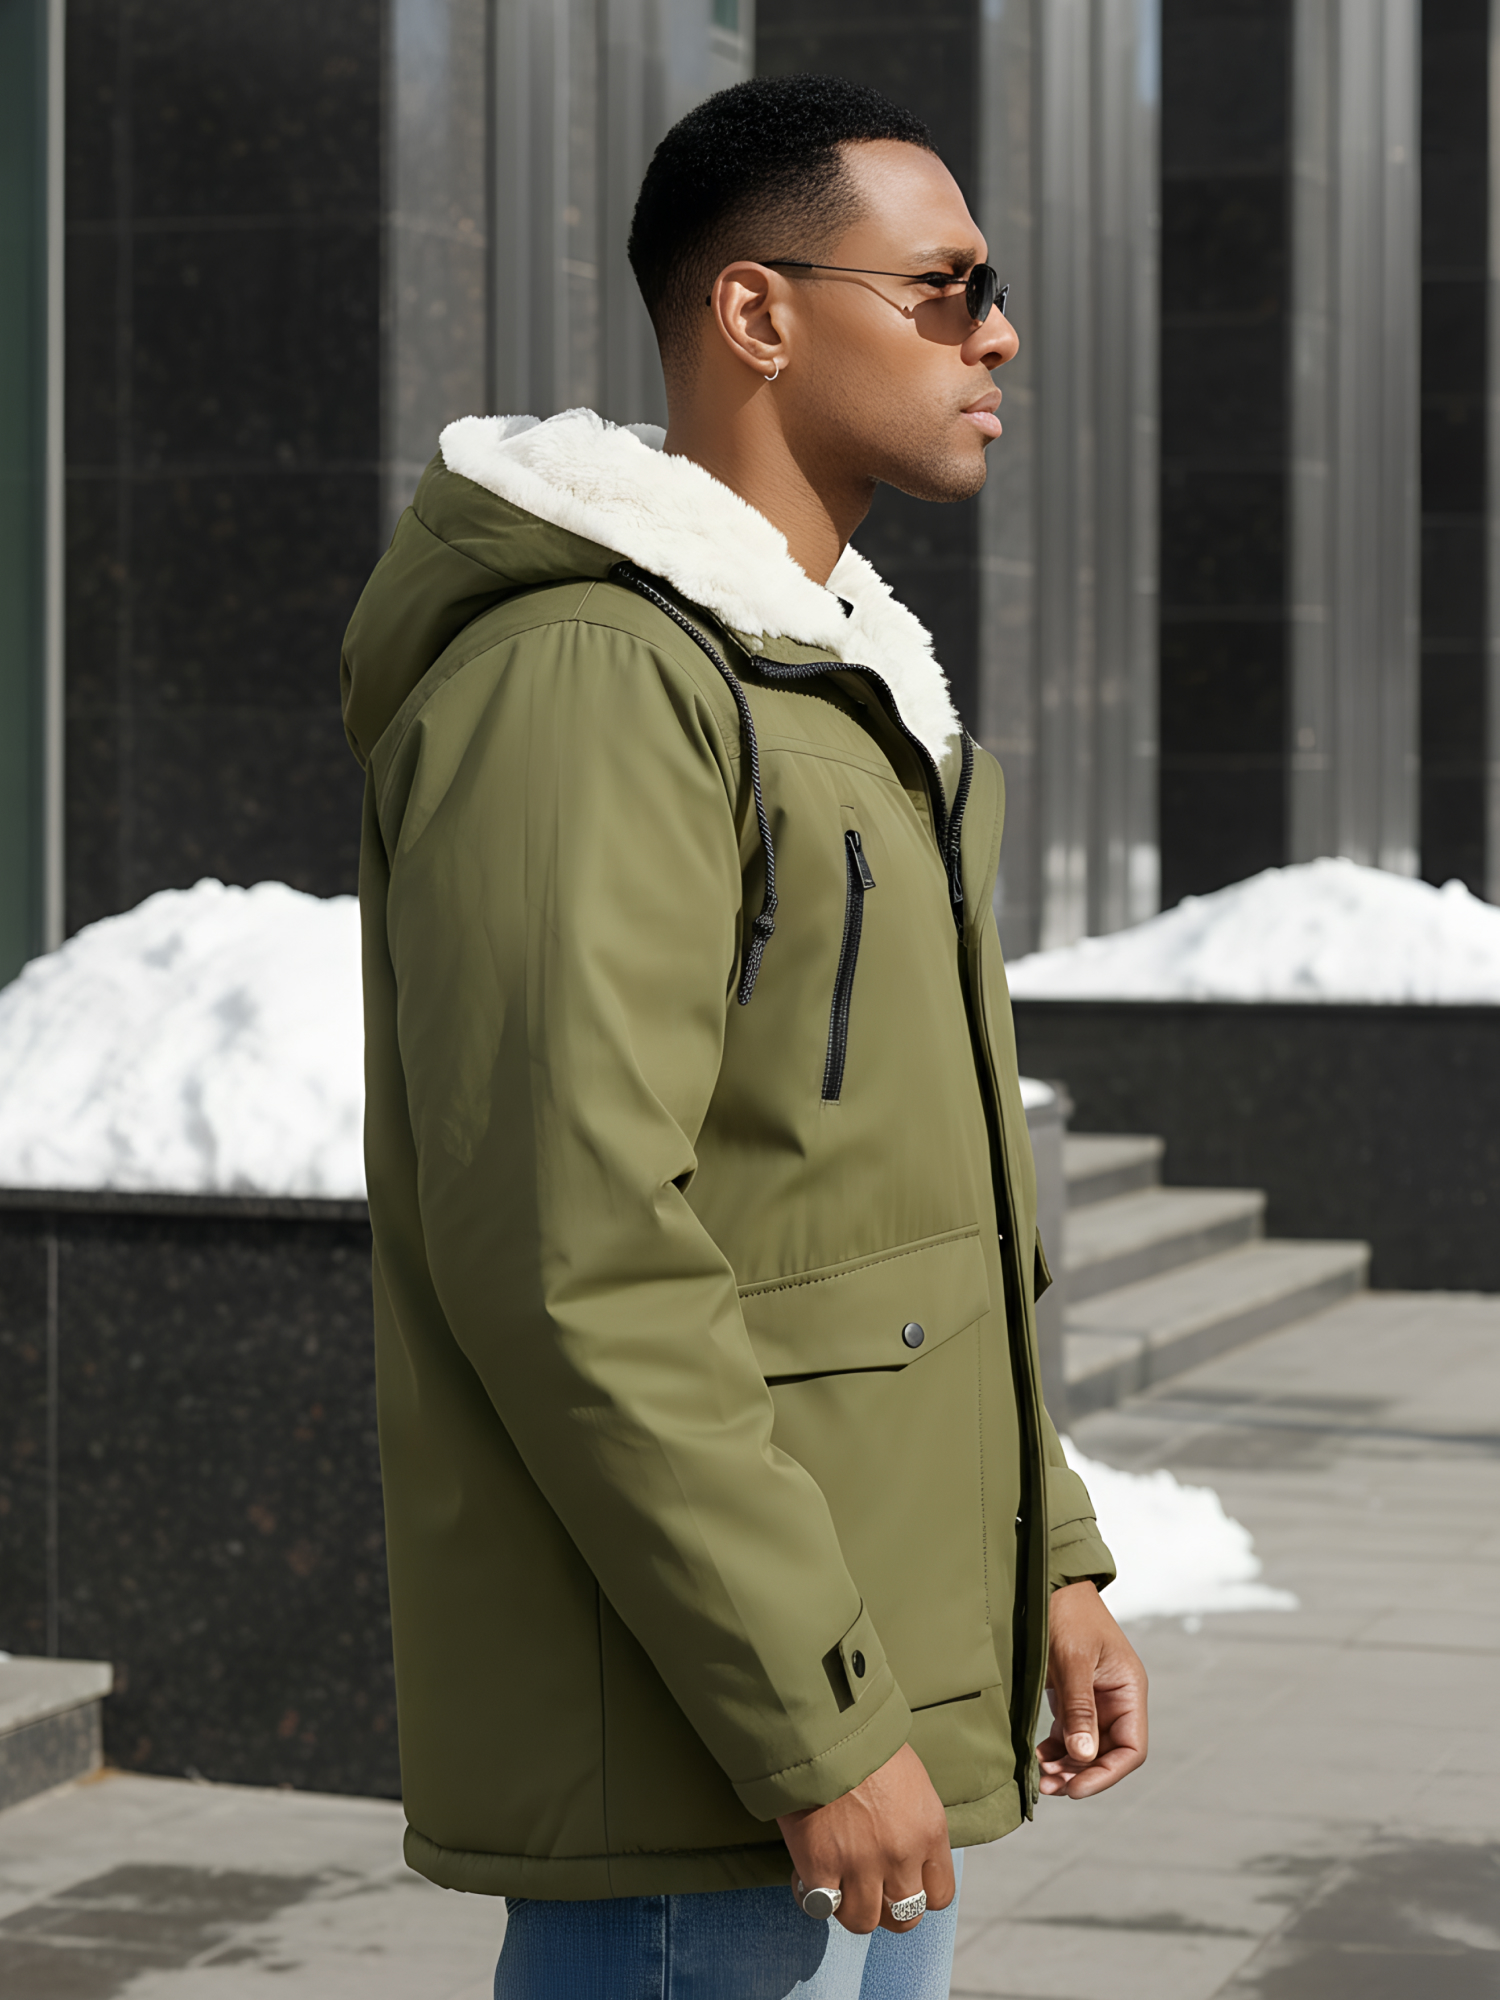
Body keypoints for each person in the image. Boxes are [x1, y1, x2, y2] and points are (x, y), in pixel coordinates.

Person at [341, 72, 1147, 2000]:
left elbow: (894, 1214)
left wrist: (1048, 1556)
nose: (997, 333)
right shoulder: (589, 682)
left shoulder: (840, 692)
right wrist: (814, 1722)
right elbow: (575, 1254)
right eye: (945, 286)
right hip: (723, 1763)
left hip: (865, 1698)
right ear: (758, 314)